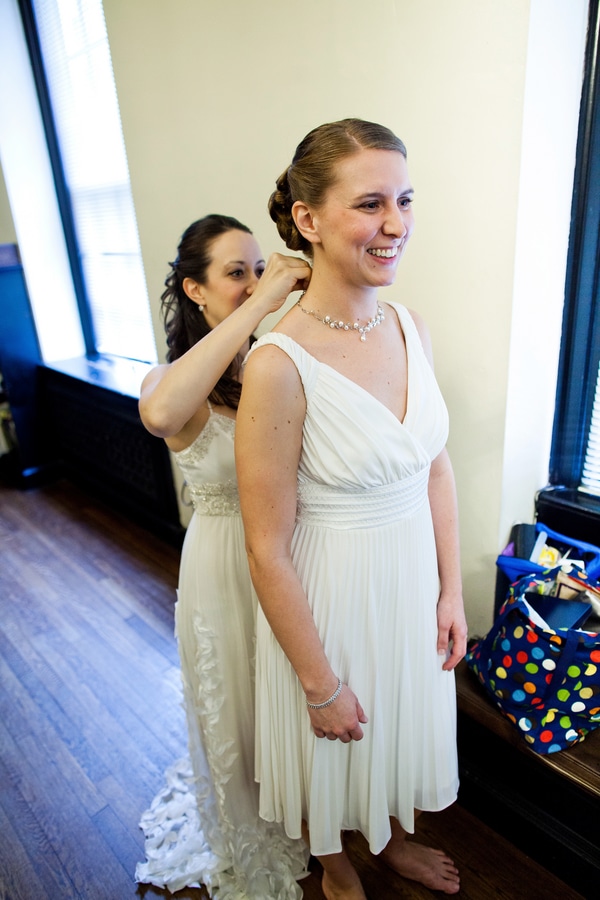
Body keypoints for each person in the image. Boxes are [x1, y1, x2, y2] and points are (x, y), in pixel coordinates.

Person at [235, 119, 468, 899]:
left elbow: (435, 464)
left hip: (410, 583)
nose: (395, 224)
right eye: (370, 203)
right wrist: (317, 680)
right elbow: (267, 546)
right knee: (335, 739)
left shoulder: (411, 327)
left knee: (396, 727)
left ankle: (396, 839)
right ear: (308, 219)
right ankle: (334, 865)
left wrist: (449, 590)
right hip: (330, 593)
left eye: (404, 200)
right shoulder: (278, 364)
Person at [135, 214, 311, 897]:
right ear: (196, 290)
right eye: (236, 272)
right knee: (236, 710)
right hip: (223, 570)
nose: (253, 283)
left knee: (289, 705)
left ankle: (313, 818)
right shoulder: (169, 380)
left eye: (258, 269)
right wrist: (263, 304)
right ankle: (252, 835)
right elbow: (160, 417)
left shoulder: (273, 367)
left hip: (290, 563)